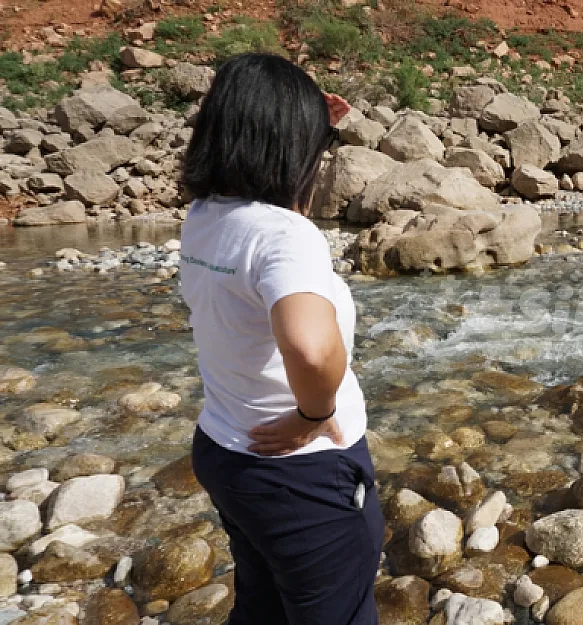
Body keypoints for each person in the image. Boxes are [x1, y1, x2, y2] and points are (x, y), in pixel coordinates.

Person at [179, 53, 384, 625]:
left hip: (226, 452)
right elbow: (311, 349)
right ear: (292, 147)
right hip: (301, 474)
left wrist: (315, 126)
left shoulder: (206, 215)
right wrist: (313, 414)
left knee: (263, 606)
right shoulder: (285, 237)